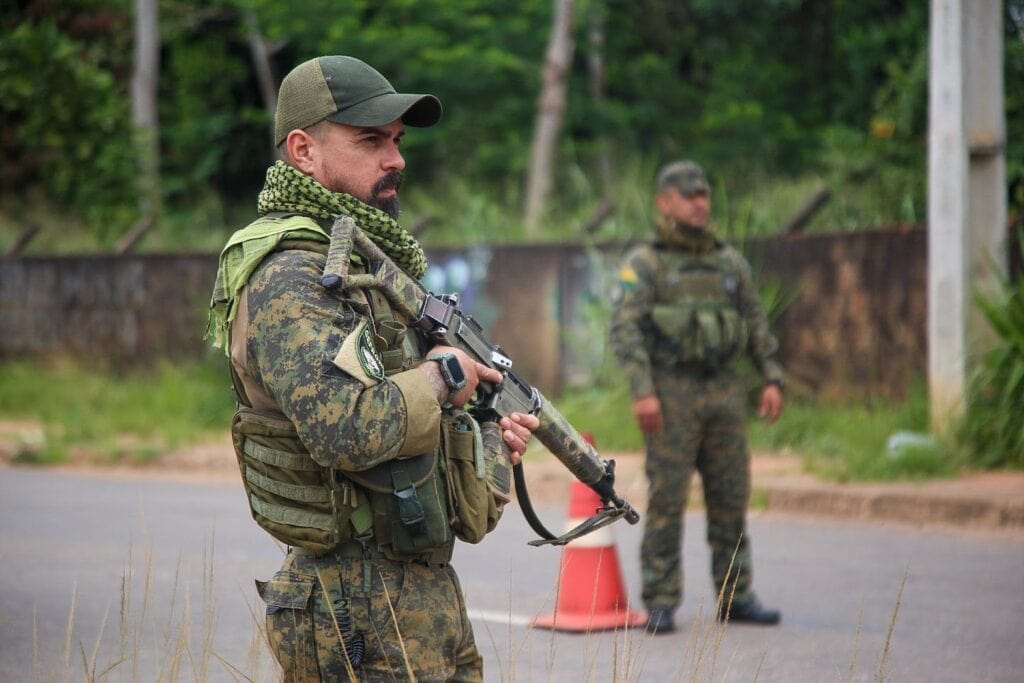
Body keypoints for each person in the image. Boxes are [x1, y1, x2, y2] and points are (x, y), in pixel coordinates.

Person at [207, 55, 539, 680]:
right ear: (304, 150)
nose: (397, 160)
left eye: (397, 141)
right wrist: (443, 377)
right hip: (353, 607)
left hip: (421, 598)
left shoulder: (369, 266)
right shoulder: (291, 275)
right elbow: (343, 430)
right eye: (371, 141)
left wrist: (485, 437)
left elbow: (415, 435)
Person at [608, 160, 784, 635]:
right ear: (664, 202)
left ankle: (737, 594)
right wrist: (643, 392)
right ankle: (661, 600)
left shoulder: (728, 262)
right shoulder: (645, 264)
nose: (700, 202)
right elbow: (626, 330)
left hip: (725, 393)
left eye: (704, 194)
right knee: (667, 498)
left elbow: (755, 321)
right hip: (672, 394)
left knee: (731, 497)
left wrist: (771, 377)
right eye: (688, 195)